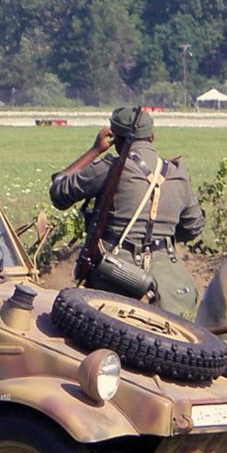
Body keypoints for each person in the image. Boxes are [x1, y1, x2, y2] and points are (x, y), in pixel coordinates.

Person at [50, 106, 204, 318]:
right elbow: (193, 227)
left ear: (115, 139)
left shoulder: (112, 168)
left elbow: (59, 192)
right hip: (166, 282)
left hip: (113, 276)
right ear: (152, 136)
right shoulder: (177, 173)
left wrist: (95, 150)